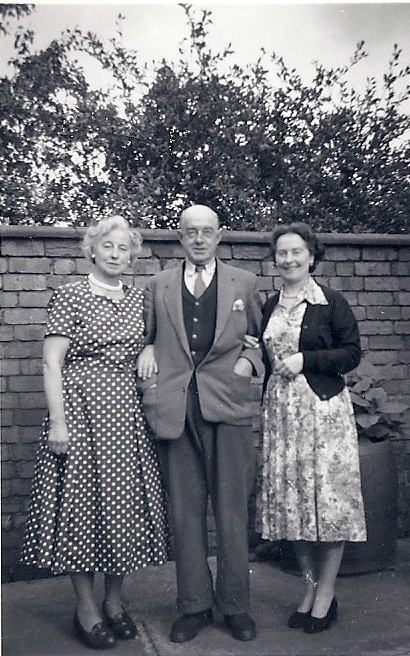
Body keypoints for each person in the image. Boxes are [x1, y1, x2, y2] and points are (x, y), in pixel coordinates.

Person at [21, 215, 169, 650]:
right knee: (82, 510)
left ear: (133, 255)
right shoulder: (70, 294)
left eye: (125, 249)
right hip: (81, 414)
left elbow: (158, 338)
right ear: (92, 250)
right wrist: (59, 421)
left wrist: (148, 346)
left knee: (121, 510)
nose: (117, 255)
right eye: (109, 247)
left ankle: (114, 601)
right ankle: (85, 608)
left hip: (125, 415)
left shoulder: (139, 299)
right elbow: (52, 363)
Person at [137, 204, 264, 643]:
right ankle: (193, 606)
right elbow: (147, 336)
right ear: (180, 237)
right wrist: (147, 349)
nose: (198, 238)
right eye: (190, 232)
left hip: (226, 406)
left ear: (219, 236)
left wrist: (249, 362)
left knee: (231, 511)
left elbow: (262, 341)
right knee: (184, 513)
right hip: (175, 409)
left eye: (206, 231)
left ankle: (235, 607)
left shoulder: (244, 283)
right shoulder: (158, 285)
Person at [254, 221, 367, 633]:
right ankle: (309, 587)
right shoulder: (269, 305)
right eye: (281, 253)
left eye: (296, 252)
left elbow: (351, 353)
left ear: (312, 256)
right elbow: (256, 352)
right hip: (281, 417)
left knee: (328, 505)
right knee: (292, 508)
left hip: (323, 414)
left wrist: (306, 360)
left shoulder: (330, 302)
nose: (288, 259)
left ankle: (325, 594)